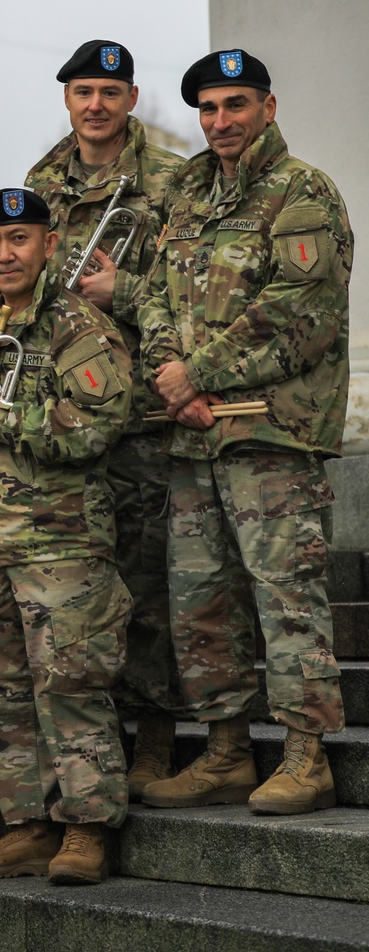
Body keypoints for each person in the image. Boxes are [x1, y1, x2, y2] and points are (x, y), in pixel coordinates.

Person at [139, 49, 353, 816]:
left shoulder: (303, 192)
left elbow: (304, 315)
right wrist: (172, 376)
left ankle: (307, 756)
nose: (220, 121)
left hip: (273, 434)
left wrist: (199, 373)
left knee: (285, 597)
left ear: (268, 106)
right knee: (200, 601)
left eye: (235, 105)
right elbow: (155, 296)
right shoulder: (188, 195)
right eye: (207, 108)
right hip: (194, 435)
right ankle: (226, 752)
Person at [0, 188, 133, 885]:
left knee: (71, 686)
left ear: (49, 245)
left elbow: (101, 421)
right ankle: (26, 825)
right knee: (2, 693)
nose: (5, 253)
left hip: (64, 545)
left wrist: (15, 422)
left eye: (20, 239)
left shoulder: (77, 325)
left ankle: (86, 831)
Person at [25, 40, 183, 797]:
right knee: (84, 586)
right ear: (67, 99)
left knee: (147, 584)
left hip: (144, 415)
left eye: (110, 92)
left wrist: (125, 290)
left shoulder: (174, 180)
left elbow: (192, 291)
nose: (96, 104)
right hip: (65, 414)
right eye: (83, 90)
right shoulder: (40, 183)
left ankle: (154, 735)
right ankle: (98, 740)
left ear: (130, 99)